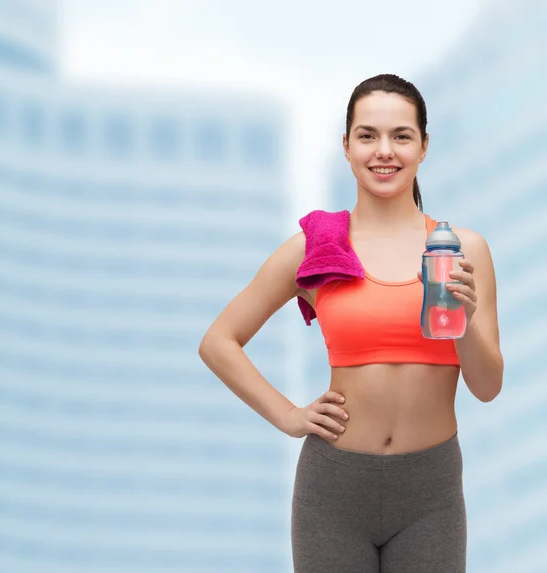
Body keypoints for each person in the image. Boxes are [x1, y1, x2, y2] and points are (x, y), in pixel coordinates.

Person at [198, 73, 503, 573]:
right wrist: (288, 416)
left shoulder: (462, 250)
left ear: (424, 146)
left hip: (431, 490)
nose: (384, 151)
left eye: (401, 136)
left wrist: (464, 322)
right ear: (346, 146)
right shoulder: (317, 247)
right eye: (367, 135)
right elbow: (219, 341)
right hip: (333, 489)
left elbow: (487, 387)